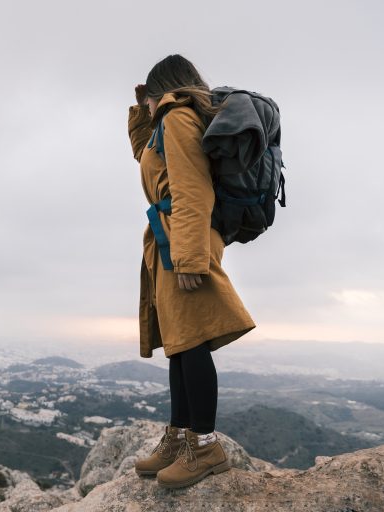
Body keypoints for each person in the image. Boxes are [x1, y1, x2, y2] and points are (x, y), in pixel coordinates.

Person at [127, 54, 256, 489]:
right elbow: (148, 161)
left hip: (183, 238)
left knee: (193, 342)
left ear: (161, 89)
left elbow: (191, 188)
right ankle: (180, 435)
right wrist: (139, 111)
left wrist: (188, 256)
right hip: (173, 238)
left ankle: (205, 447)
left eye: (147, 97)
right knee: (180, 343)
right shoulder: (165, 123)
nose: (145, 105)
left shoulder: (178, 119)